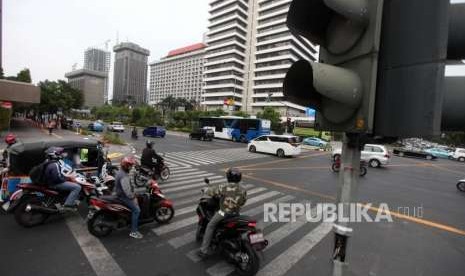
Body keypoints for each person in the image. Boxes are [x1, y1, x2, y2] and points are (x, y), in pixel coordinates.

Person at [198, 168, 247, 258]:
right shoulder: (243, 189)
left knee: (210, 226)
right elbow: (243, 202)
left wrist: (204, 189)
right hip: (236, 214)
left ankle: (203, 250)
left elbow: (211, 191)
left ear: (228, 177)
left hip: (224, 213)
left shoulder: (224, 187)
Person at [43, 147, 81, 211]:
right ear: (54, 155)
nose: (60, 154)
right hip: (55, 184)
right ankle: (68, 205)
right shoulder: (54, 164)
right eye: (59, 153)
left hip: (50, 181)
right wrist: (68, 177)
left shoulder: (48, 161)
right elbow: (58, 178)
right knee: (77, 187)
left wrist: (66, 176)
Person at [114, 156, 143, 239]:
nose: (131, 167)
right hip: (123, 196)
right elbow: (128, 192)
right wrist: (134, 197)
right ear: (126, 165)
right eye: (130, 165)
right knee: (137, 210)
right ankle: (134, 231)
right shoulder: (124, 176)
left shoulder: (120, 172)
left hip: (119, 193)